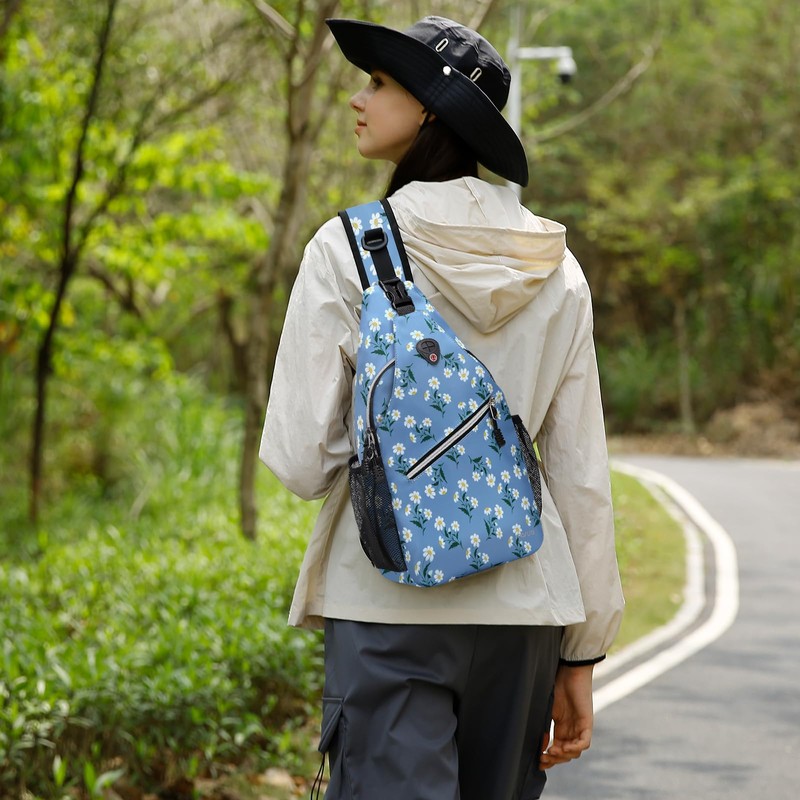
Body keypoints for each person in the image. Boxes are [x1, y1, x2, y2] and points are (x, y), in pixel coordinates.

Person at [260, 15, 624, 800]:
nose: (357, 100)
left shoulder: (347, 249)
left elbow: (301, 461)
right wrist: (582, 653)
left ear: (430, 108)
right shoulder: (557, 268)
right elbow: (580, 475)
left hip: (383, 602)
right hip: (526, 609)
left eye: (378, 83)